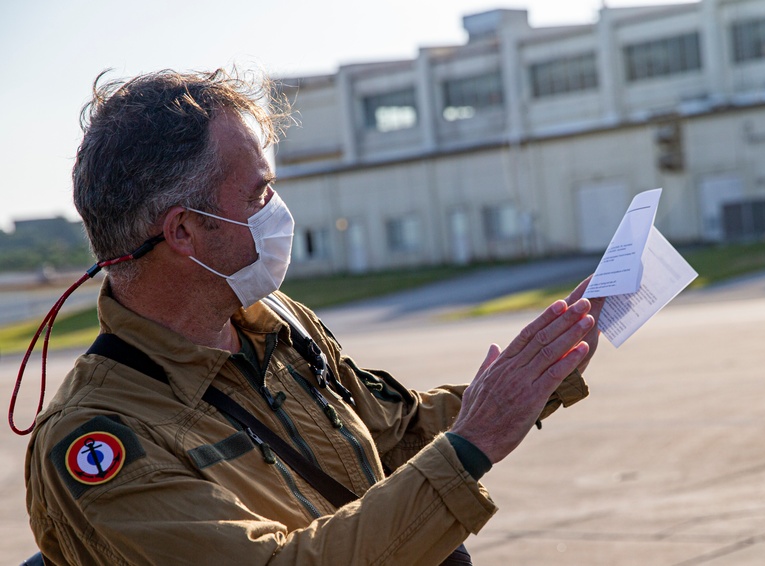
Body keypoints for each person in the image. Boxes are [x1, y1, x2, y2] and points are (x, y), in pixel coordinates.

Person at [23, 68, 603, 565]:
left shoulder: (273, 323)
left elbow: (392, 435)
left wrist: (541, 370)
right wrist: (473, 444)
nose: (276, 210)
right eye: (258, 194)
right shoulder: (100, 439)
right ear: (183, 231)